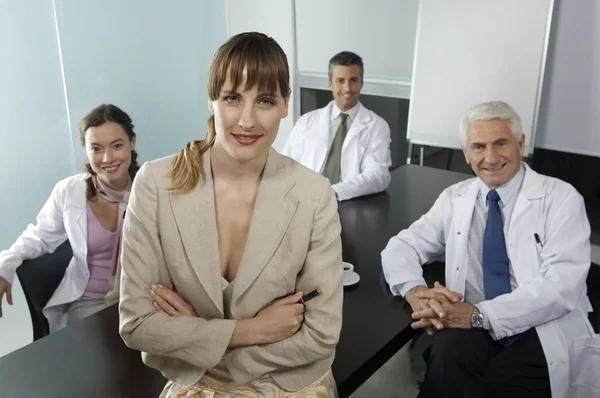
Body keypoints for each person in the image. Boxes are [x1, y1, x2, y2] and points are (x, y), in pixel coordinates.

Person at [118, 32, 344, 397]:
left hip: (287, 386)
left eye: (266, 101)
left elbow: (320, 335)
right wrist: (251, 330)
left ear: (286, 104)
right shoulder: (156, 184)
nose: (247, 120)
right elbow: (138, 324)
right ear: (212, 101)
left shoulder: (313, 193)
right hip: (198, 386)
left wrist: (202, 340)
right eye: (233, 98)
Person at [381, 101, 598, 398]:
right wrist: (414, 292)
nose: (491, 157)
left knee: (497, 386)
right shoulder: (455, 197)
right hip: (469, 325)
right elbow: (402, 246)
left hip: (537, 325)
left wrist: (477, 314)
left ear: (521, 143)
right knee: (445, 364)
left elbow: (561, 287)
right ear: (466, 153)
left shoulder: (560, 198)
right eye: (479, 147)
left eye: (501, 143)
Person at [0, 104, 140, 331]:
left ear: (132, 142)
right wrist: (4, 265)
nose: (107, 158)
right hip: (90, 301)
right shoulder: (69, 191)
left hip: (141, 298)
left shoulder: (150, 188)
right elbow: (40, 237)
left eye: (116, 145)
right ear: (86, 150)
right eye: (96, 148)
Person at [281, 51, 391, 201]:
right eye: (340, 80)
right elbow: (285, 167)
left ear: (361, 83)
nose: (347, 88)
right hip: (304, 202)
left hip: (347, 203)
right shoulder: (306, 122)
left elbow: (378, 175)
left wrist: (333, 192)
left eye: (353, 80)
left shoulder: (377, 126)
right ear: (330, 84)